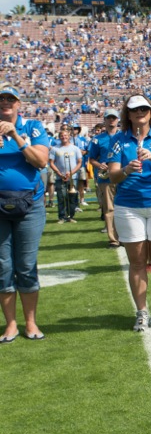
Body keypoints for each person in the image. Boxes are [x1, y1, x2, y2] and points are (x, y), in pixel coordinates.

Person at [107, 95, 151, 331]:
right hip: (129, 205)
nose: (140, 112)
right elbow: (113, 175)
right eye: (134, 109)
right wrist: (127, 169)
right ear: (127, 114)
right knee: (137, 262)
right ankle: (141, 312)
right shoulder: (118, 140)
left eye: (144, 109)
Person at [0, 84, 50, 343]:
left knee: (26, 265)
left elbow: (41, 161)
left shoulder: (32, 127)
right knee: (2, 266)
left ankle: (30, 322)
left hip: (29, 206)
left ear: (19, 104)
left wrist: (17, 137)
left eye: (11, 99)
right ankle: (10, 324)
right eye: (2, 99)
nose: (6, 102)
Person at [89, 109, 122, 247]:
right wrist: (99, 165)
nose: (111, 120)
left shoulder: (124, 136)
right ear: (105, 120)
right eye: (109, 118)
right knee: (109, 209)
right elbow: (91, 159)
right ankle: (113, 238)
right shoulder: (98, 139)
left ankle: (126, 236)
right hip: (106, 178)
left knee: (125, 207)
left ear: (118, 119)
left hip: (122, 176)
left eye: (114, 118)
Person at [48, 126, 82, 224]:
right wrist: (59, 173)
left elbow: (79, 162)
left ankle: (70, 216)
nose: (64, 137)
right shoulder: (55, 149)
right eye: (62, 136)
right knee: (61, 197)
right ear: (59, 137)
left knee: (72, 198)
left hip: (73, 177)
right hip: (60, 177)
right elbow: (51, 163)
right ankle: (62, 217)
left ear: (69, 136)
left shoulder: (75, 148)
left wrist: (72, 173)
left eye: (66, 135)